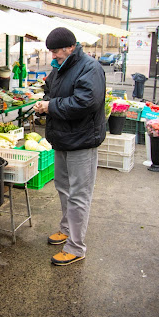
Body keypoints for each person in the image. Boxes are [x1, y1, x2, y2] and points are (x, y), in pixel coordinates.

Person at [34, 27, 106, 266]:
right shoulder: (61, 68)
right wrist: (45, 100)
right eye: (52, 52)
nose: (53, 56)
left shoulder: (90, 68)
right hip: (63, 139)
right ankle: (66, 229)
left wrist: (50, 106)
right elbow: (51, 91)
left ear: (70, 47)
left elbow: (85, 102)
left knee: (78, 195)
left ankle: (76, 246)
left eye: (56, 51)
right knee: (64, 188)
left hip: (82, 141)